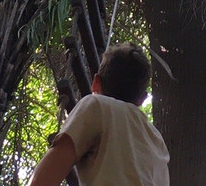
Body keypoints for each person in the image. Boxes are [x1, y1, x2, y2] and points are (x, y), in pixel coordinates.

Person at [27, 43, 169, 186]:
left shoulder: (97, 105)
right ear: (142, 99)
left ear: (95, 83)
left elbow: (43, 179)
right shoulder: (157, 140)